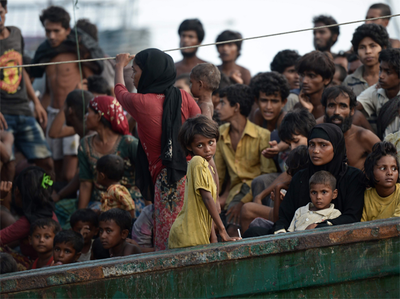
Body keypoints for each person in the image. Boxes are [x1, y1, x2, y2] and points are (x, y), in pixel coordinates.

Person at [114, 49, 201, 251]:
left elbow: (120, 93)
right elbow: (200, 127)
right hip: (193, 173)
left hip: (168, 179)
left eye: (135, 71)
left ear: (148, 73)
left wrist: (119, 65)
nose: (133, 77)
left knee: (168, 235)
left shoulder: (141, 102)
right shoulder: (183, 96)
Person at [31, 6, 104, 182]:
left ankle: (71, 198)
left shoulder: (78, 53)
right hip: (53, 114)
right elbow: (49, 90)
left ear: (67, 30)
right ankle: (55, 198)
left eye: (56, 31)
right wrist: (39, 109)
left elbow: (91, 85)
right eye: (48, 31)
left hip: (73, 116)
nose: (51, 36)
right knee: (51, 166)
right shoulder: (46, 55)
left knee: (70, 171)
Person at [273, 124, 365, 234]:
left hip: (336, 237)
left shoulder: (353, 177)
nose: (315, 151)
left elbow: (352, 216)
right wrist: (281, 232)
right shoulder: (300, 177)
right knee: (255, 231)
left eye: (323, 145)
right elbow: (284, 217)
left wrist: (320, 227)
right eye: (311, 144)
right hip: (295, 237)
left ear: (336, 147)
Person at [214, 84, 277, 237]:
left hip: (255, 191)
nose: (217, 107)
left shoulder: (262, 135)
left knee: (235, 230)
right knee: (225, 229)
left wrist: (243, 202)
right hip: (234, 193)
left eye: (222, 103)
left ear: (236, 107)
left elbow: (267, 174)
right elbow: (219, 174)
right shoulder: (220, 134)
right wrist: (215, 198)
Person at [168, 116, 240, 249]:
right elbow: (207, 199)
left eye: (211, 142)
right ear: (190, 146)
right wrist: (223, 231)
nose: (207, 149)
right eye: (200, 145)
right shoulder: (197, 162)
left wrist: (213, 238)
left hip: (198, 235)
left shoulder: (207, 165)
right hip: (188, 236)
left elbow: (207, 206)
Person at [0, 0, 53, 178]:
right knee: (8, 167)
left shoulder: (16, 33)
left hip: (24, 110)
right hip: (3, 116)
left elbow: (20, 69)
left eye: (0, 12)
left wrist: (36, 102)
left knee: (46, 163)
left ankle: (46, 199)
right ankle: (6, 206)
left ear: (6, 10)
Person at [241, 145, 309, 234]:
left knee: (247, 210)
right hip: (284, 220)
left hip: (292, 222)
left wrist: (278, 190)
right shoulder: (293, 182)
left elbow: (277, 219)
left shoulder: (301, 183)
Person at [0, 167, 58, 259]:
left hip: (35, 263)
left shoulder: (26, 223)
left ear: (17, 191)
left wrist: (1, 198)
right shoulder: (48, 211)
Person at [318, 86, 380, 170]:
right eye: (332, 106)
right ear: (324, 109)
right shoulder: (317, 135)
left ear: (352, 110)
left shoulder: (363, 136)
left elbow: (388, 163)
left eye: (343, 106)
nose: (336, 112)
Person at [357, 48, 400, 138]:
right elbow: (354, 105)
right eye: (381, 70)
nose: (381, 76)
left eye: (388, 72)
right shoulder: (376, 90)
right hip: (385, 147)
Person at [343, 24, 390, 97]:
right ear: (357, 53)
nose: (368, 51)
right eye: (362, 47)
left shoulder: (394, 76)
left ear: (383, 48)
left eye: (373, 46)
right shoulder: (349, 81)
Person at [362, 142, 400, 221]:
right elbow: (361, 226)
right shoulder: (365, 196)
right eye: (383, 168)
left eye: (394, 168)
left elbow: (395, 224)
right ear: (370, 173)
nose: (390, 173)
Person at [295, 51, 335, 119]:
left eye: (311, 76)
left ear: (327, 80)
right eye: (302, 75)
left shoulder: (334, 107)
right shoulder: (298, 108)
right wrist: (307, 111)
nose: (304, 81)